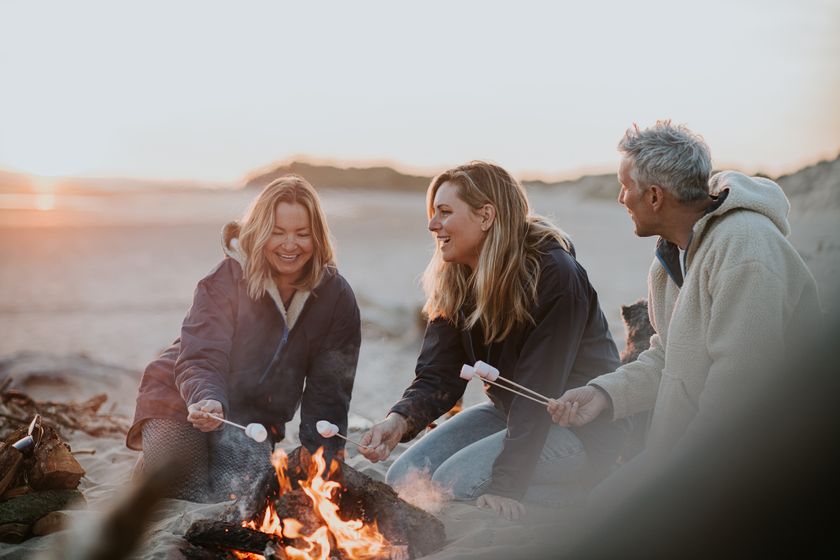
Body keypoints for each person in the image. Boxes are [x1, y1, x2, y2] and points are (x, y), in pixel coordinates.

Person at [548, 121, 822, 513]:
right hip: (688, 455)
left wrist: (671, 479)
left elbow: (738, 394)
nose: (621, 198)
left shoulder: (744, 249)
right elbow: (667, 356)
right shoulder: (672, 255)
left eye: (625, 186)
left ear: (655, 196)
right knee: (596, 509)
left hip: (756, 462)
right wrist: (603, 394)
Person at [359, 161, 626, 520]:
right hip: (508, 413)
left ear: (486, 216)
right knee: (404, 477)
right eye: (432, 212)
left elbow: (539, 387)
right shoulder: (457, 277)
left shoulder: (555, 276)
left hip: (579, 430)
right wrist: (399, 421)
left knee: (457, 483)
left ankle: (584, 496)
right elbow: (439, 374)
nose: (432, 224)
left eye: (445, 212)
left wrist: (507, 484)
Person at [126, 175, 361, 502]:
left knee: (237, 504)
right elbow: (202, 355)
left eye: (302, 234)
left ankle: (167, 463)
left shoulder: (336, 298)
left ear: (318, 237)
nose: (290, 245)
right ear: (260, 232)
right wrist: (206, 397)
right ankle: (153, 462)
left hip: (251, 422)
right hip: (181, 400)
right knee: (187, 499)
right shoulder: (225, 279)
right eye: (277, 232)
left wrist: (323, 462)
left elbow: (331, 390)